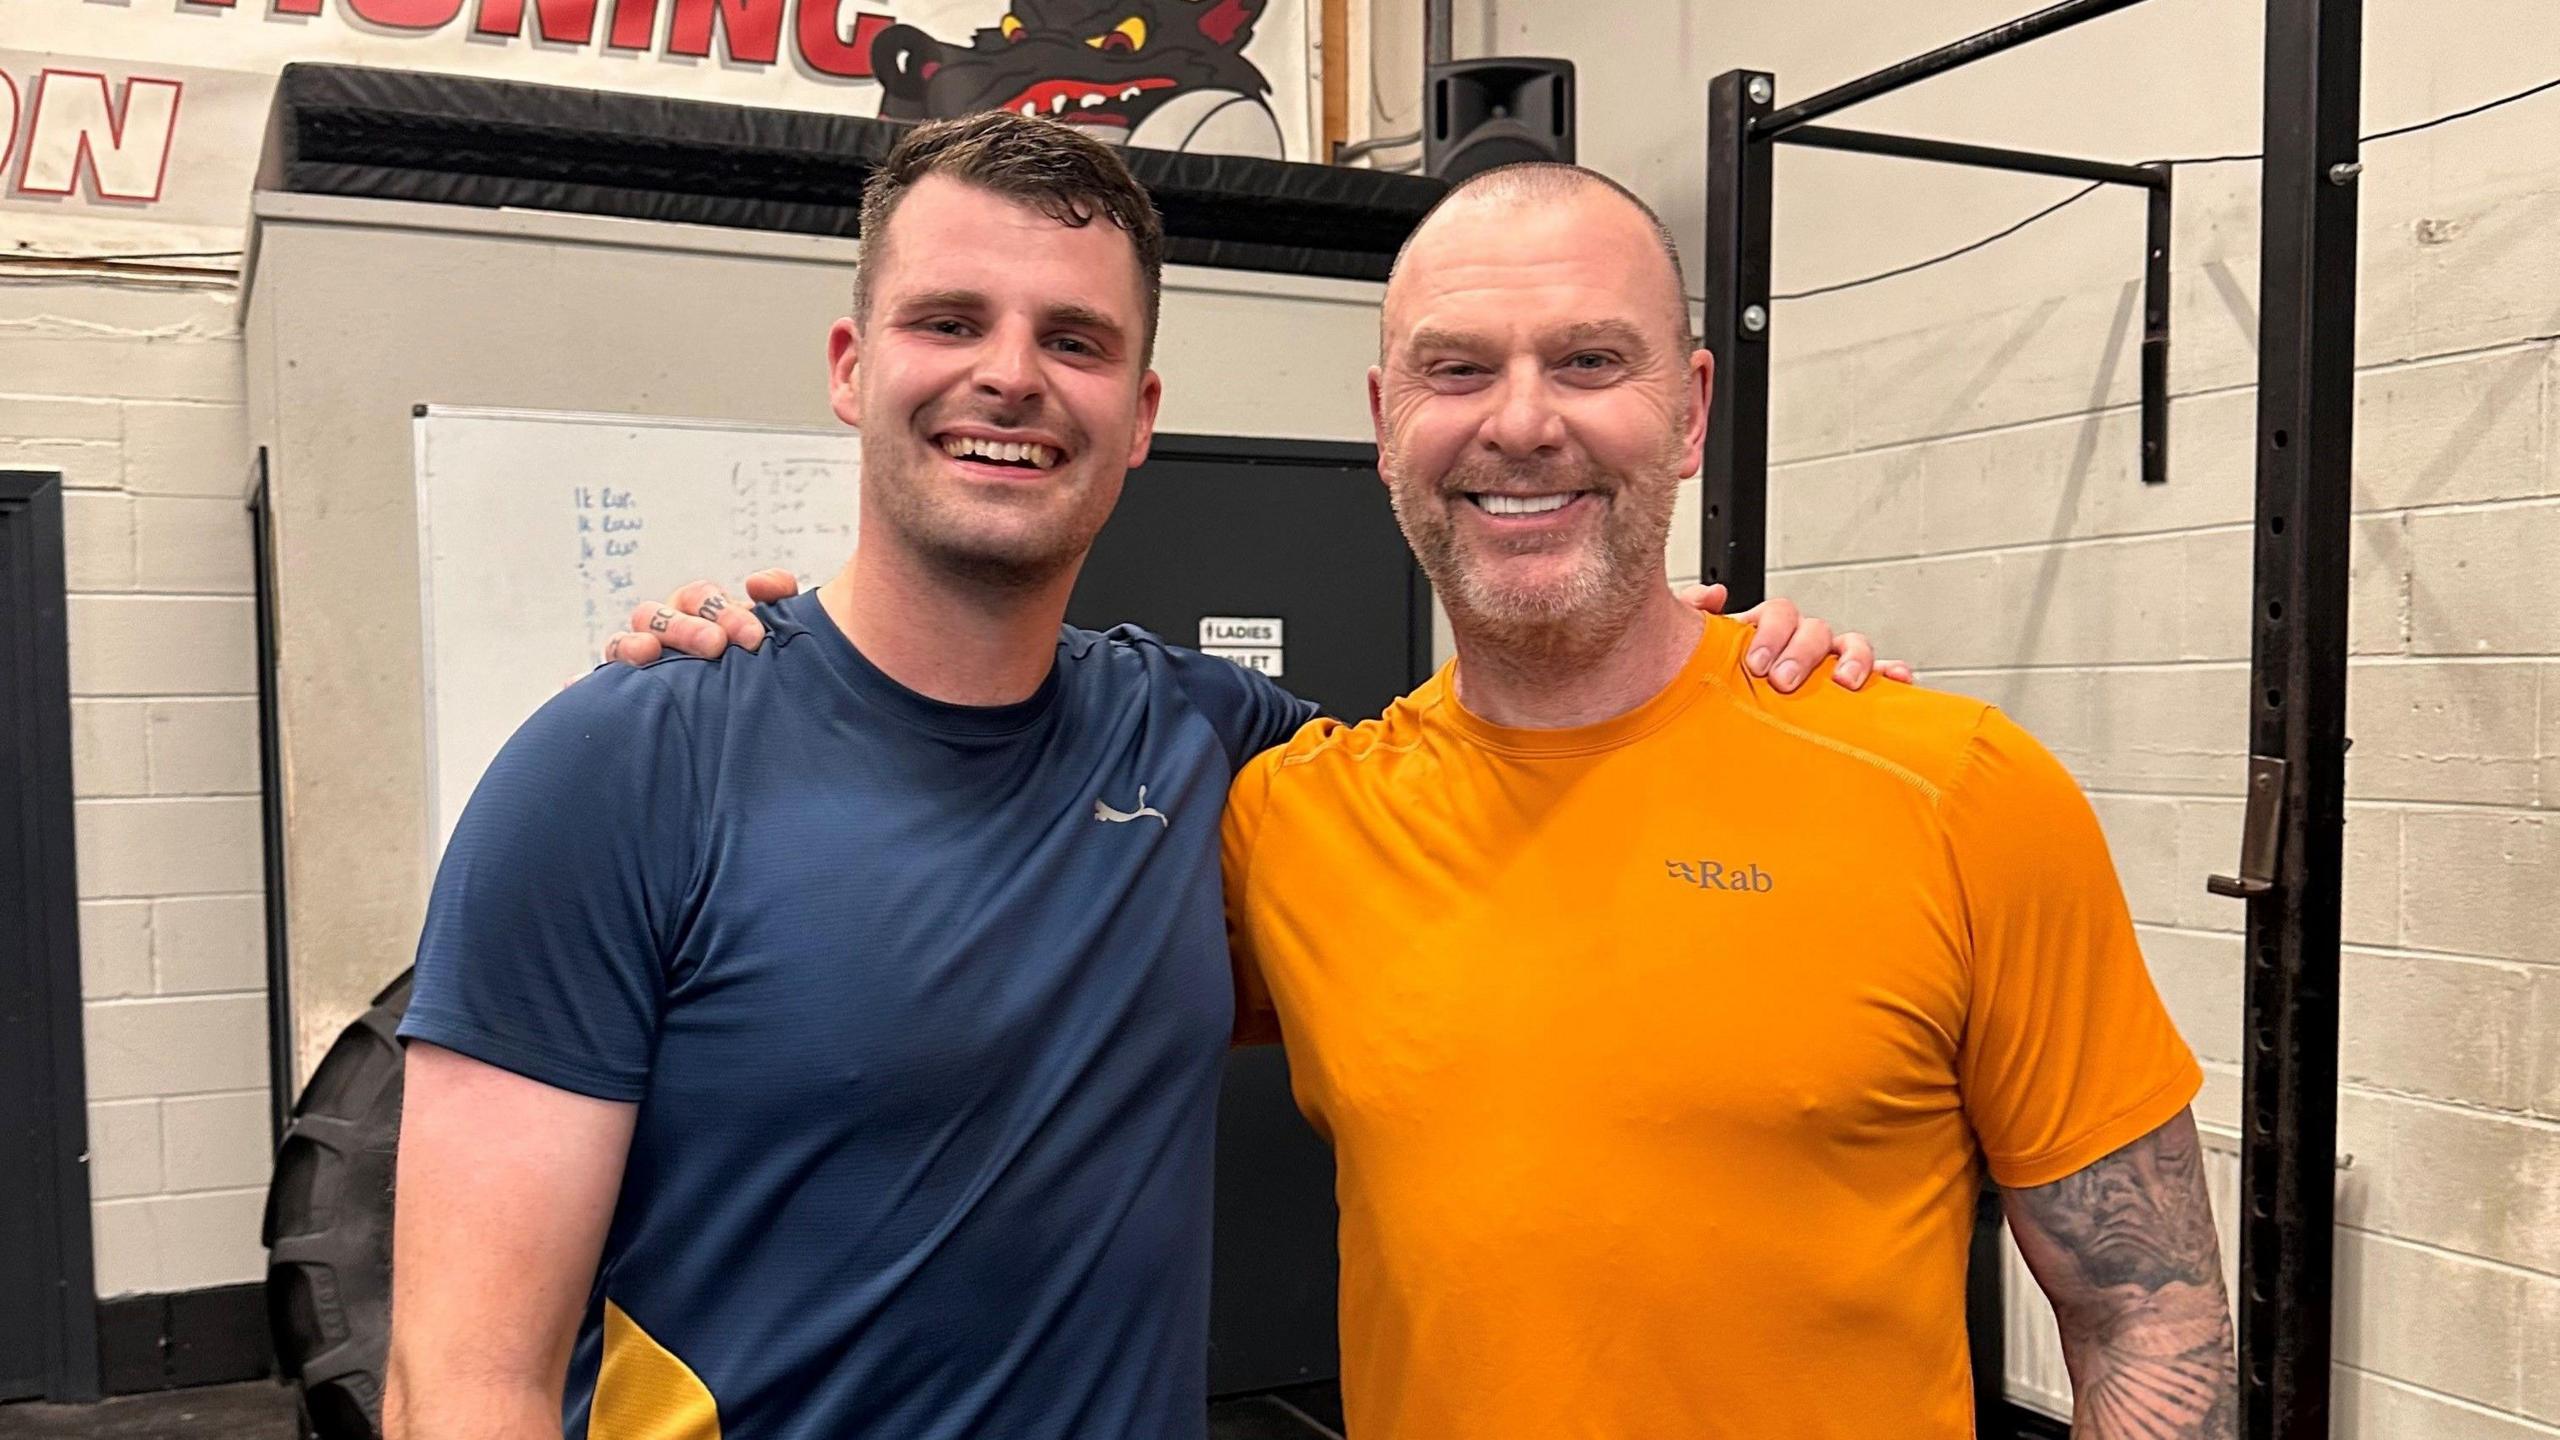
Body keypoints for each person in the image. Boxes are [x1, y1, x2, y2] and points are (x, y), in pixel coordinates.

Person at [641, 160, 2234, 1439]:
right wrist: (779, 674)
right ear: (1385, 421)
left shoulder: (1950, 790)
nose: (1521, 421)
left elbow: (2151, 1315)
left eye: (1589, 364)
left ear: (1687, 408)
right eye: (1457, 369)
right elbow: (958, 869)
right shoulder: (1290, 820)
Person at [387, 112, 1876, 1440]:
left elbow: (1522, 778)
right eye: (950, 320)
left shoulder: (1213, 746)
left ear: (1142, 412)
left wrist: (1729, 672)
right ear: (853, 368)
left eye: (1076, 339)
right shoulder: (622, 762)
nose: (1011, 377)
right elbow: (460, 1384)